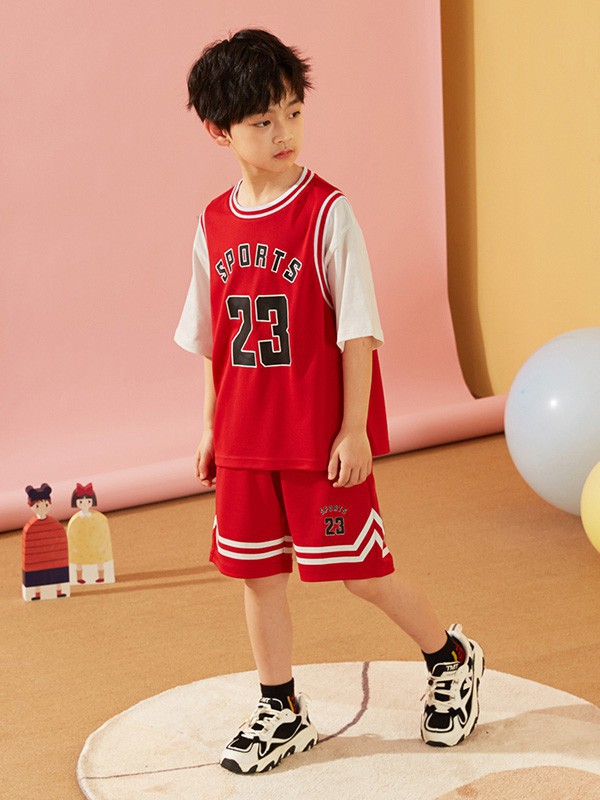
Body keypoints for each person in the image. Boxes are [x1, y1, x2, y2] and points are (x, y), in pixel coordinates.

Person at [175, 28, 484, 774]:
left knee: (359, 569)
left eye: (293, 112)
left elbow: (358, 333)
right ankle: (280, 708)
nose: (283, 132)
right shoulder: (212, 222)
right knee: (257, 577)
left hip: (318, 436)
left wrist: (353, 428)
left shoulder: (326, 212)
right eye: (262, 121)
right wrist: (211, 427)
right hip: (246, 439)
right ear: (219, 132)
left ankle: (449, 658)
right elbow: (214, 338)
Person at [67, 482, 114, 584]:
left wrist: (103, 545)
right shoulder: (75, 520)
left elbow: (104, 533)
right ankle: (79, 578)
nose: (84, 504)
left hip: (95, 544)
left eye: (88, 501)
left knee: (99, 561)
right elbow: (71, 535)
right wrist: (73, 546)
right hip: (80, 545)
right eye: (81, 501)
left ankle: (101, 577)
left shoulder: (99, 519)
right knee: (79, 562)